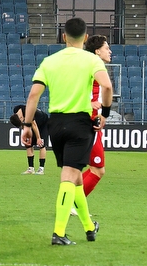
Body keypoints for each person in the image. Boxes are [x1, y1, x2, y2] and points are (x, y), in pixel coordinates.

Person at [22, 17, 112, 246]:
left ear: (64, 37)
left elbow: (33, 96)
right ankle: (58, 233)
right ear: (85, 38)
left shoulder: (50, 61)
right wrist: (105, 114)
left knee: (76, 177)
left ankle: (89, 228)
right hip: (80, 124)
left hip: (56, 125)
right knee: (69, 176)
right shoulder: (91, 60)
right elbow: (107, 86)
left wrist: (26, 126)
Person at [82, 35, 112, 198]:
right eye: (107, 48)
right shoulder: (95, 65)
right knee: (98, 170)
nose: (110, 51)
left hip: (92, 121)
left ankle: (69, 200)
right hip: (90, 122)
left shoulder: (89, 65)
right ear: (97, 51)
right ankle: (73, 203)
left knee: (93, 169)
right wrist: (89, 104)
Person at [9, 105, 49, 174]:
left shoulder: (27, 112)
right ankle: (31, 169)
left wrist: (38, 138)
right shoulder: (16, 111)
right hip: (32, 124)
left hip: (43, 123)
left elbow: (34, 125)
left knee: (41, 144)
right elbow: (24, 125)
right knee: (28, 144)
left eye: (21, 121)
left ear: (21, 117)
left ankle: (41, 169)